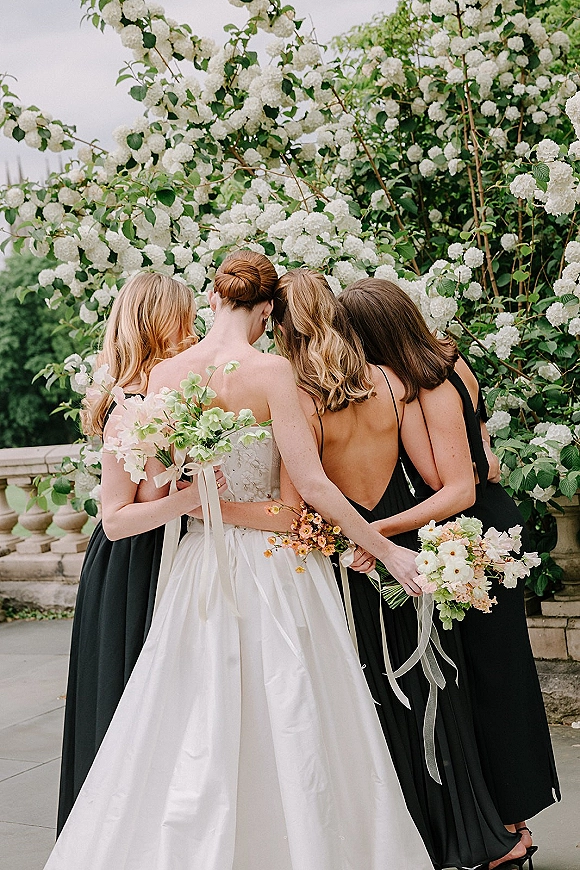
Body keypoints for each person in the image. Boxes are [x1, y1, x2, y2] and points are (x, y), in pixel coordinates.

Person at [44, 251, 432, 870]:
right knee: (297, 708)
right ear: (266, 310)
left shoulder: (166, 376)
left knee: (191, 712)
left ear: (216, 299)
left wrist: (197, 502)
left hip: (200, 561)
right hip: (276, 565)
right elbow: (313, 486)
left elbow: (151, 488)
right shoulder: (273, 372)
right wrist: (387, 550)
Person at [270, 268, 529, 870]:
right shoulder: (389, 384)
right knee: (436, 686)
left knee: (374, 694)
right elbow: (438, 474)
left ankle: (405, 838)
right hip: (407, 548)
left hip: (350, 554)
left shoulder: (298, 401)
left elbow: (298, 501)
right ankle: (469, 835)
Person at [339, 276, 560, 861]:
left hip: (469, 535)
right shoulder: (453, 362)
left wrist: (375, 530)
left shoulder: (421, 390)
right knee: (500, 676)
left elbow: (453, 486)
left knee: (483, 683)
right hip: (495, 520)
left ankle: (507, 830)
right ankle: (510, 820)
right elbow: (482, 450)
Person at [57, 272, 227, 833]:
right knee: (127, 700)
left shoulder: (163, 394)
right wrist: (189, 496)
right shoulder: (127, 404)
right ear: (160, 321)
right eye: (185, 316)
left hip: (168, 556)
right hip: (131, 567)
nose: (194, 327)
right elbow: (117, 516)